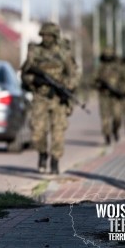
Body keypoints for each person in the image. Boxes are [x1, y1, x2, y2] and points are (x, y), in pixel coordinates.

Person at [20, 22, 77, 175]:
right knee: (37, 131)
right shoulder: (35, 52)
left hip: (58, 98)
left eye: (49, 35)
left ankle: (55, 162)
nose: (46, 38)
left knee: (58, 132)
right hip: (40, 97)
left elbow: (74, 74)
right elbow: (25, 74)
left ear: (55, 36)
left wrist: (66, 87)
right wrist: (34, 80)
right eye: (43, 35)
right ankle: (42, 154)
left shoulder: (64, 53)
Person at [94, 46, 125, 145]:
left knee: (117, 117)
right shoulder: (100, 68)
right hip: (104, 96)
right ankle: (107, 136)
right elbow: (93, 81)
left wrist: (123, 90)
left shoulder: (119, 67)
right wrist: (99, 85)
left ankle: (115, 130)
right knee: (105, 117)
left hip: (116, 96)